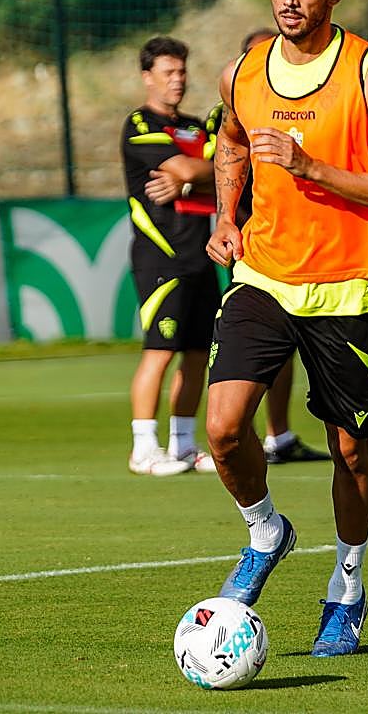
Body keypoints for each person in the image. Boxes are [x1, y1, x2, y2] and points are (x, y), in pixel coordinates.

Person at [203, 0, 368, 656]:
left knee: (350, 453)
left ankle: (347, 586)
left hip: (346, 289)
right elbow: (232, 140)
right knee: (224, 428)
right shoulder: (246, 70)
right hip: (263, 274)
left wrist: (310, 166)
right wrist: (226, 217)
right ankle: (267, 532)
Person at [147, 27, 330, 466]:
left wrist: (190, 175)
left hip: (310, 241)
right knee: (247, 344)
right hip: (251, 245)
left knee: (289, 349)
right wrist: (199, 175)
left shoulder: (315, 104)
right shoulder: (229, 109)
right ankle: (223, 439)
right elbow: (222, 156)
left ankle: (279, 436)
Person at [120, 35, 220, 476]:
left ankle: (182, 444)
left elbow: (231, 173)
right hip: (159, 257)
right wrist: (197, 175)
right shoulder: (140, 125)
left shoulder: (196, 128)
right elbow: (188, 167)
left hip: (200, 256)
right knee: (160, 350)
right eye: (168, 73)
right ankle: (143, 448)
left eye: (182, 71)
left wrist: (190, 183)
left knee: (198, 353)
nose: (177, 80)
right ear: (148, 77)